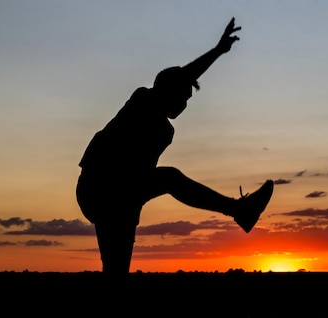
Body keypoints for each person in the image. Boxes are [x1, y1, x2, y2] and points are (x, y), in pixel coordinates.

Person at [76, 17, 274, 274]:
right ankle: (239, 211)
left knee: (116, 271)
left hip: (123, 196)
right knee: (170, 178)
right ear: (167, 91)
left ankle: (240, 211)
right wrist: (216, 51)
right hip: (99, 188)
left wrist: (133, 207)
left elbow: (141, 175)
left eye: (188, 100)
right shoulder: (143, 101)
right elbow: (183, 75)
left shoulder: (163, 129)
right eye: (183, 97)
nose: (184, 105)